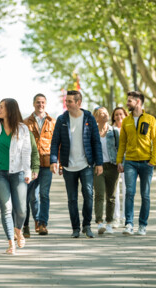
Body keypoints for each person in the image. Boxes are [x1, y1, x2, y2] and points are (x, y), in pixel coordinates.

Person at [50, 90, 103, 239]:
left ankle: (87, 225)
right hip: (68, 166)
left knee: (88, 195)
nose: (67, 104)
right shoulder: (62, 119)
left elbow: (96, 142)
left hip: (86, 164)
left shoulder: (89, 118)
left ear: (78, 102)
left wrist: (99, 163)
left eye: (70, 101)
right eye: (66, 101)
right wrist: (53, 160)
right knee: (72, 198)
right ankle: (75, 228)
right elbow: (55, 142)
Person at [0, 98, 31, 255]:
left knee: (21, 210)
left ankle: (18, 231)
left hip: (18, 173)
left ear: (10, 110)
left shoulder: (22, 129)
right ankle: (10, 243)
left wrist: (27, 172)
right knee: (6, 208)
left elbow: (26, 152)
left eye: (1, 107)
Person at [117, 91, 156, 236]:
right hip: (130, 162)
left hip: (147, 162)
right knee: (130, 193)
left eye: (129, 101)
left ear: (138, 102)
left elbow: (155, 140)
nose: (127, 104)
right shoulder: (126, 121)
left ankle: (142, 225)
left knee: (145, 195)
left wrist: (153, 160)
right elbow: (122, 143)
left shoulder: (150, 119)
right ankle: (129, 224)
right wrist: (119, 161)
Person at [23, 93, 55, 236]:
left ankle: (43, 223)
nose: (40, 105)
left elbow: (56, 143)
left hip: (47, 163)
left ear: (45, 104)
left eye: (42, 102)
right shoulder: (26, 122)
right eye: (38, 102)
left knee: (44, 194)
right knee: (31, 196)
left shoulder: (52, 122)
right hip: (31, 164)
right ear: (33, 104)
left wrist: (57, 163)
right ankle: (34, 220)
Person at [93, 107, 119, 235]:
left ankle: (109, 222)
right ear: (96, 117)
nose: (104, 115)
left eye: (106, 113)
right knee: (99, 194)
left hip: (113, 166)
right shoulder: (92, 132)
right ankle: (99, 223)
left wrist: (120, 163)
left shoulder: (114, 131)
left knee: (111, 196)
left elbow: (120, 148)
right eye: (101, 114)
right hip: (98, 167)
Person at [111, 107, 128, 228]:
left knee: (127, 190)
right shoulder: (111, 129)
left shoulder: (129, 128)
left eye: (121, 114)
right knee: (115, 190)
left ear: (125, 115)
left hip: (128, 161)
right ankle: (116, 217)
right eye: (116, 114)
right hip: (115, 162)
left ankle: (125, 216)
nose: (118, 116)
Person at [22, 131, 40, 238]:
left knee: (25, 200)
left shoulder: (27, 133)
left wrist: (35, 169)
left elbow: (34, 151)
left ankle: (25, 226)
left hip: (26, 172)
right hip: (7, 172)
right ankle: (16, 227)